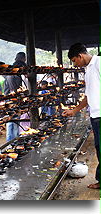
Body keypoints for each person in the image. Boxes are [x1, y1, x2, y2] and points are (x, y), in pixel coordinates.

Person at [62, 43, 100, 189]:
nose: (75, 64)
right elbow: (88, 96)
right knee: (99, 148)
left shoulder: (98, 63)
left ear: (80, 56)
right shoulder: (87, 69)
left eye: (74, 60)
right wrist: (75, 110)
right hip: (96, 115)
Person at [4, 52, 27, 142]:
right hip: (14, 98)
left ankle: (12, 139)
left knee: (12, 120)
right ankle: (13, 140)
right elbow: (16, 89)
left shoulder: (11, 70)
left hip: (8, 97)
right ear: (23, 59)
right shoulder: (16, 72)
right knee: (14, 119)